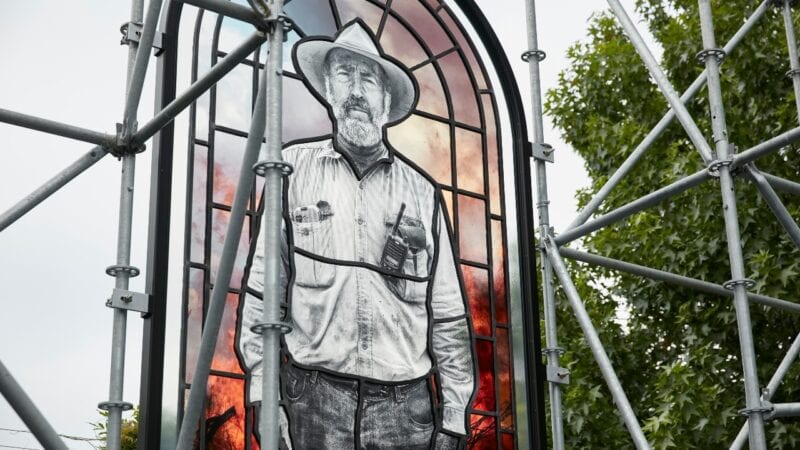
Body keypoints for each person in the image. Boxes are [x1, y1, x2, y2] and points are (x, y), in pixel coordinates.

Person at [238, 20, 474, 450]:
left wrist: (455, 416)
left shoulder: (421, 192)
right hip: (313, 398)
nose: (356, 91)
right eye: (344, 75)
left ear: (386, 99)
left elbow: (448, 313)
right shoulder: (292, 169)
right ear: (328, 89)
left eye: (368, 78)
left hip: (405, 407)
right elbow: (262, 294)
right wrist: (263, 398)